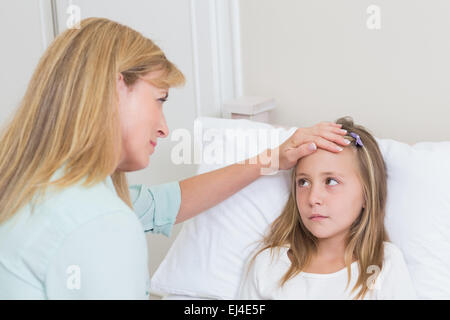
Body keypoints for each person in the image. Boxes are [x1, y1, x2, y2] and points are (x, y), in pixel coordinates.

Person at [0, 17, 349, 299]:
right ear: (116, 88)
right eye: (160, 99)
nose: (165, 129)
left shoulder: (35, 189)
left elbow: (161, 204)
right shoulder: (100, 222)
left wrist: (272, 159)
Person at [238, 117, 418, 300]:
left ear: (367, 194)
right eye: (303, 182)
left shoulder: (382, 263)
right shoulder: (268, 265)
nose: (313, 198)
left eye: (331, 181)